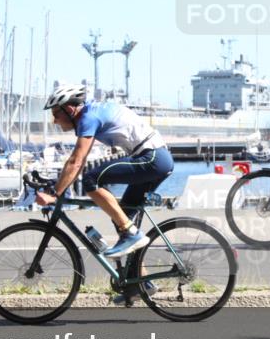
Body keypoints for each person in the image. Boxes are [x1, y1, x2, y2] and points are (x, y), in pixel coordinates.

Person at [36, 84, 174, 258]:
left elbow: (76, 161)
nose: (54, 120)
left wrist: (55, 194)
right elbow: (79, 160)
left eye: (56, 114)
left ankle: (131, 233)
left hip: (153, 158)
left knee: (90, 179)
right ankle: (138, 282)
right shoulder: (93, 111)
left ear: (70, 109)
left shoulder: (88, 117)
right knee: (122, 217)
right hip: (157, 158)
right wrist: (57, 187)